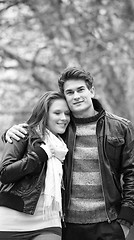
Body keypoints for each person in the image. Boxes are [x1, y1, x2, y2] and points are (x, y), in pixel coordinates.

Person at [4, 67, 134, 240]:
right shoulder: (59, 127)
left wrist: (126, 220)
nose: (76, 96)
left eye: (80, 90)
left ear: (91, 91)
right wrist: (10, 132)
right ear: (65, 97)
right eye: (70, 92)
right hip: (67, 226)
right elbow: (32, 133)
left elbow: (133, 174)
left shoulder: (120, 127)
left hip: (109, 223)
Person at [0, 91, 70, 240]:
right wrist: (39, 156)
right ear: (44, 114)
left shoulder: (65, 146)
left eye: (67, 113)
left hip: (49, 221)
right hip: (11, 220)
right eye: (57, 113)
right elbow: (4, 174)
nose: (63, 118)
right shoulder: (22, 134)